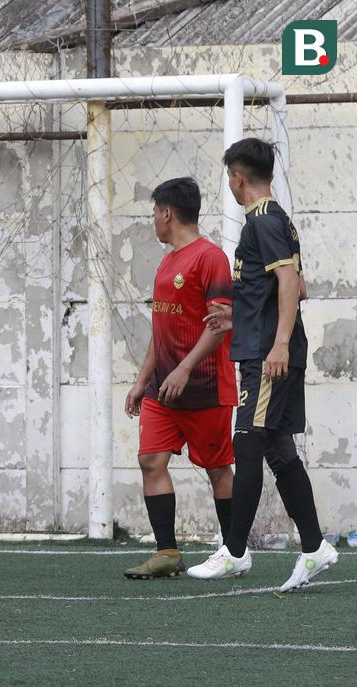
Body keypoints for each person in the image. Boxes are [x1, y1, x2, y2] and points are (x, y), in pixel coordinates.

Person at [187, 137, 339, 591]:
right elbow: (294, 286)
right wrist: (242, 313)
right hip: (266, 348)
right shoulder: (275, 221)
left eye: (229, 176)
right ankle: (314, 549)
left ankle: (234, 552)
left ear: (237, 175)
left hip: (268, 357)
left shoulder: (263, 221)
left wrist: (278, 343)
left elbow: (291, 282)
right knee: (278, 451)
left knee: (248, 442)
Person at [122, 177, 236, 580]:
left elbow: (220, 324)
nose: (154, 220)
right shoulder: (167, 261)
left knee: (218, 470)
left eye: (154, 212)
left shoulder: (211, 258)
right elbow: (163, 328)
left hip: (204, 387)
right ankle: (167, 552)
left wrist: (185, 368)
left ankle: (233, 551)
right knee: (150, 460)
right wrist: (142, 380)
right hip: (162, 391)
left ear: (167, 213)